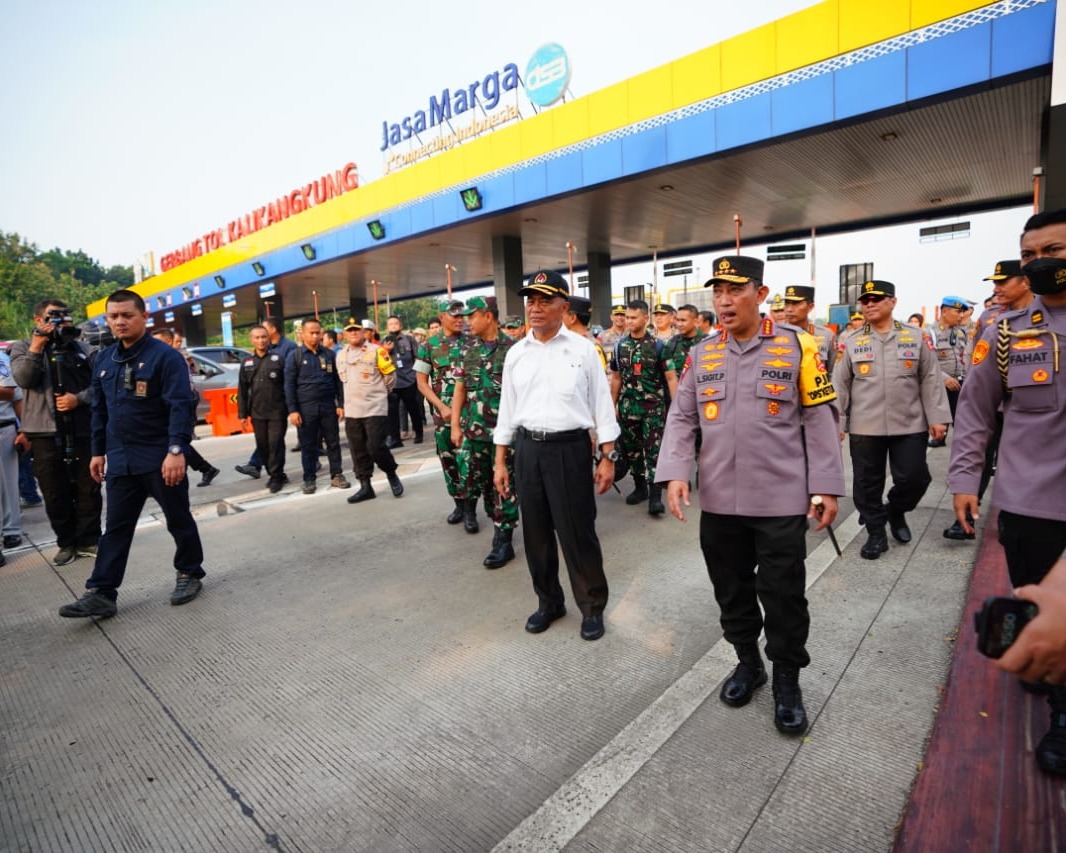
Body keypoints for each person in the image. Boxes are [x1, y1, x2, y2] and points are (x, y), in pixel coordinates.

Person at [657, 255, 844, 736]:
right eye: (717, 291)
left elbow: (820, 418)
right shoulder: (702, 354)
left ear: (760, 295)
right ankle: (748, 663)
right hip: (720, 502)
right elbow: (682, 419)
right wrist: (676, 471)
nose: (723, 300)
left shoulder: (797, 347)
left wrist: (824, 485)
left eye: (734, 290)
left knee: (783, 597)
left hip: (780, 500)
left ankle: (786, 681)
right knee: (732, 592)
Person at [948, 208, 1066, 776]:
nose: (1042, 264)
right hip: (1028, 502)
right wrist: (966, 480)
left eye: (1055, 251)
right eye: (1031, 256)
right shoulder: (1005, 333)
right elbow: (974, 412)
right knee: (1033, 596)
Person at [57, 290, 206, 620]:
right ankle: (102, 592)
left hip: (159, 457)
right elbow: (100, 410)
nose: (120, 321)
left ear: (144, 318)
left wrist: (176, 451)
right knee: (116, 529)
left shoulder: (165, 358)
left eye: (127, 315)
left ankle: (189, 572)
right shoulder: (105, 359)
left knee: (178, 518)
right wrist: (98, 452)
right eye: (114, 316)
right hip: (121, 460)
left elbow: (180, 407)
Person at [493, 270, 620, 640]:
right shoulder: (516, 354)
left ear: (565, 306)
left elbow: (601, 405)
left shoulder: (582, 349)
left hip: (569, 449)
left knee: (577, 532)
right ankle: (549, 602)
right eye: (530, 300)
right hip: (528, 449)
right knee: (535, 534)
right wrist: (501, 461)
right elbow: (506, 411)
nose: (535, 307)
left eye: (545, 300)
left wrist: (608, 456)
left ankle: (592, 606)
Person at [835, 281, 951, 559]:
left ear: (893, 302)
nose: (870, 304)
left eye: (876, 299)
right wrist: (837, 421)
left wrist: (938, 417)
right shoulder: (851, 341)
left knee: (915, 478)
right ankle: (876, 533)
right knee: (866, 484)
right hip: (865, 425)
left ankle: (895, 511)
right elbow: (839, 384)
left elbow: (930, 378)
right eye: (865, 300)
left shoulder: (915, 336)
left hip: (909, 422)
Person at [9, 299, 102, 564]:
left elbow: (104, 385)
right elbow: (24, 379)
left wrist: (79, 399)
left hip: (83, 428)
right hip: (44, 432)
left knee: (89, 487)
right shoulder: (22, 348)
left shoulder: (83, 348)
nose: (61, 322)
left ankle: (89, 540)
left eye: (65, 316)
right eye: (53, 317)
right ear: (38, 320)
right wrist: (38, 346)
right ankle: (66, 542)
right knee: (54, 491)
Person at [451, 296, 519, 567]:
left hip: (505, 434)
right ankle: (496, 522)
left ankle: (504, 539)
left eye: (472, 316)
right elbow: (460, 389)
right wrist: (455, 424)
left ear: (488, 316)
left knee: (505, 483)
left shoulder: (514, 350)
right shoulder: (467, 350)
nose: (468, 322)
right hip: (474, 432)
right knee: (478, 482)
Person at [610, 299, 674, 515]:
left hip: (653, 408)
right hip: (628, 408)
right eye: (627, 317)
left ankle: (655, 497)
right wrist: (612, 405)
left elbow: (671, 378)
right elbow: (616, 377)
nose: (628, 321)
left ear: (645, 319)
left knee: (653, 452)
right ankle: (640, 489)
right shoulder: (620, 347)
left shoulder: (658, 346)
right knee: (633, 450)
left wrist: (674, 407)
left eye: (633, 317)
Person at [415, 299, 472, 526]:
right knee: (448, 461)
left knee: (468, 462)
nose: (460, 319)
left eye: (462, 316)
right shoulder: (428, 346)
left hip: (469, 416)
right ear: (441, 317)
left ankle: (470, 510)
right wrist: (441, 407)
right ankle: (458, 504)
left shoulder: (472, 343)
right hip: (443, 416)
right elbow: (421, 382)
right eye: (455, 316)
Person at [338, 318, 403, 503]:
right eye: (349, 330)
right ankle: (365, 486)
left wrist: (380, 394)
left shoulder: (377, 351)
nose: (353, 333)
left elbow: (390, 376)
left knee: (376, 447)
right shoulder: (341, 355)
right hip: (352, 410)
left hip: (374, 407)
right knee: (357, 450)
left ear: (366, 332)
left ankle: (391, 472)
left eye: (357, 330)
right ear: (344, 333)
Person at [284, 318, 350, 495]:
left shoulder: (328, 355)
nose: (315, 335)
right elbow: (289, 385)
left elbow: (337, 382)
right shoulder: (295, 356)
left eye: (317, 332)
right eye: (311, 332)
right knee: (309, 445)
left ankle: (337, 475)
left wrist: (340, 404)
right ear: (303, 334)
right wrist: (293, 410)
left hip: (328, 406)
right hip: (306, 409)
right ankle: (309, 479)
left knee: (333, 442)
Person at [151, 328, 220, 487]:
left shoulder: (176, 357)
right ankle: (205, 468)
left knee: (176, 440)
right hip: (168, 404)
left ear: (168, 341)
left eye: (157, 341)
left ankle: (204, 468)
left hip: (182, 402)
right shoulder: (163, 357)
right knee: (171, 439)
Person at [235, 317, 297, 480]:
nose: (261, 340)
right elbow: (242, 389)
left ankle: (276, 475)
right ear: (251, 340)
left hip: (277, 411)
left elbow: (288, 386)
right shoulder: (247, 362)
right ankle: (272, 472)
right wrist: (242, 414)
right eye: (257, 338)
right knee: (263, 446)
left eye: (264, 337)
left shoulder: (278, 359)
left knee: (275, 444)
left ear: (269, 339)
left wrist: (292, 409)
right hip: (257, 412)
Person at [928, 295, 970, 447]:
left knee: (962, 424)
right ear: (944, 311)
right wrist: (944, 378)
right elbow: (929, 362)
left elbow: (964, 357)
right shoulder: (930, 333)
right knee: (939, 423)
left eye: (962, 313)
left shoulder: (960, 333)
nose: (960, 316)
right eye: (957, 312)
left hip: (959, 383)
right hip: (940, 386)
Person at [384, 315, 424, 447]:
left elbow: (418, 357)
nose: (393, 326)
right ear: (387, 327)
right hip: (392, 383)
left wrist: (417, 377)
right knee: (392, 412)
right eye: (391, 324)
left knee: (413, 408)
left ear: (400, 325)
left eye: (396, 323)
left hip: (409, 380)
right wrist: (386, 351)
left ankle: (418, 433)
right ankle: (395, 438)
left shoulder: (409, 340)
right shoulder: (384, 342)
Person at [782, 286, 838, 379]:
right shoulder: (775, 335)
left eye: (796, 303)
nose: (789, 309)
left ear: (810, 307)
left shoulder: (826, 335)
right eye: (787, 304)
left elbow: (834, 373)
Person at [0, 348, 24, 550]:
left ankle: (11, 531)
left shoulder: (0, 358)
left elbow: (11, 393)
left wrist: (25, 430)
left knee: (7, 485)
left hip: (3, 428)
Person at [660, 304, 706, 398]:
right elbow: (668, 377)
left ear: (696, 322)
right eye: (677, 320)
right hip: (679, 397)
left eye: (683, 320)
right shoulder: (671, 344)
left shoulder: (708, 343)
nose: (679, 324)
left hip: (704, 395)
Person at [563, 295, 608, 372]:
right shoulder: (566, 343)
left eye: (562, 314)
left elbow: (599, 381)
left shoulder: (592, 348)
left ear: (572, 318)